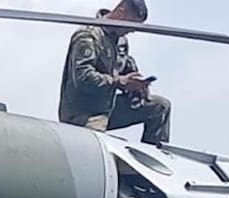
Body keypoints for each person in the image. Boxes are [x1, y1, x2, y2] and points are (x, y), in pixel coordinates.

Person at [57, 0, 172, 145]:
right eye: (131, 25)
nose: (132, 31)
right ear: (121, 13)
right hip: (83, 114)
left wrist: (138, 85)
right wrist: (120, 82)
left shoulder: (121, 41)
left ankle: (155, 160)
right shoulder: (88, 36)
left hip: (107, 107)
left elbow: (125, 65)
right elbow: (83, 77)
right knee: (97, 145)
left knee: (160, 106)